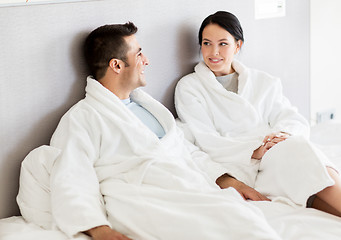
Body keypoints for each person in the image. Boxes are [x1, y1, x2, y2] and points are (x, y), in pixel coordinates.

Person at [48, 22, 281, 240]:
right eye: (139, 54)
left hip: (189, 185)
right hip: (148, 195)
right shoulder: (83, 117)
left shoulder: (147, 107)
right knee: (234, 224)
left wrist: (231, 181)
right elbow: (72, 176)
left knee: (248, 221)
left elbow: (186, 150)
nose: (146, 61)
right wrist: (100, 230)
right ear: (116, 65)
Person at [174, 11, 341, 218]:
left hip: (276, 151)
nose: (213, 51)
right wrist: (254, 150)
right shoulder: (190, 87)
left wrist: (281, 136)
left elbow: (291, 118)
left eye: (223, 44)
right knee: (303, 165)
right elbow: (205, 138)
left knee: (300, 152)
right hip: (239, 161)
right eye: (206, 43)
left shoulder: (264, 82)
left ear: (238, 45)